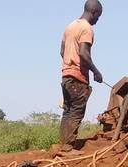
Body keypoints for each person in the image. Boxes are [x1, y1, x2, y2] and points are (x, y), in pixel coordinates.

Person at [56, 0, 104, 155]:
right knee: (76, 111)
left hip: (66, 75)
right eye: (98, 16)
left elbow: (62, 51)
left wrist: (70, 63)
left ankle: (63, 145)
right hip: (78, 77)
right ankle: (68, 148)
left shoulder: (70, 26)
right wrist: (95, 72)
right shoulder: (86, 28)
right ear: (94, 12)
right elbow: (84, 53)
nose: (98, 20)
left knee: (68, 111)